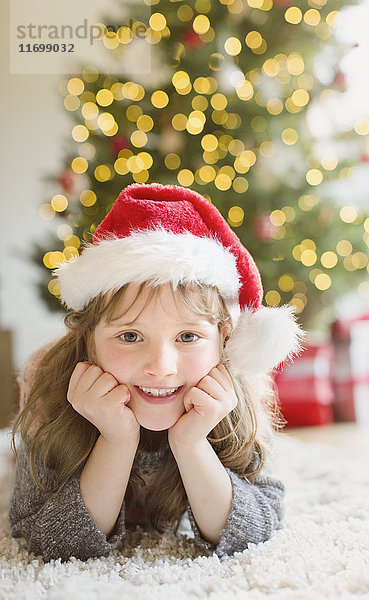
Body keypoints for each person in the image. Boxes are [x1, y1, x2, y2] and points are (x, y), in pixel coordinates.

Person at [9, 182, 303, 563]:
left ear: (223, 339)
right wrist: (116, 441)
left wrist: (192, 442)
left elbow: (257, 526)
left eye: (188, 336)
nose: (161, 367)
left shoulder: (238, 390)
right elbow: (45, 538)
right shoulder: (49, 386)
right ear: (88, 338)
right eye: (130, 336)